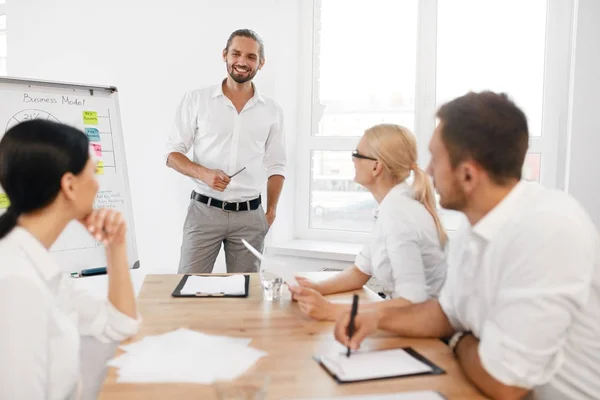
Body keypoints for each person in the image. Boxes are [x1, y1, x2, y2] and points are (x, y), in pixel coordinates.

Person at [333, 92, 600, 400]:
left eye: (436, 158)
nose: (428, 171)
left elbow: (506, 384)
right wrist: (377, 318)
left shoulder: (549, 228)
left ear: (468, 174)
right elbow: (447, 314)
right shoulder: (471, 229)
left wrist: (458, 339)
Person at [0, 120, 140, 399]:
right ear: (70, 185)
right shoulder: (16, 281)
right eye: (92, 172)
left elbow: (121, 325)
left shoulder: (35, 264)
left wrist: (115, 245)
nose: (97, 184)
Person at [289, 124, 447, 321]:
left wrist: (331, 311)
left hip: (423, 327)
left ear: (376, 166)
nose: (353, 159)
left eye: (357, 153)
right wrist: (317, 288)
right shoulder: (392, 205)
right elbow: (360, 271)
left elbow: (412, 302)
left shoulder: (398, 214)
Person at [166, 28, 286, 274]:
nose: (242, 62)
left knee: (246, 296)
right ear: (225, 55)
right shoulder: (197, 100)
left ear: (261, 63)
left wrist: (270, 212)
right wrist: (204, 174)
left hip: (250, 217)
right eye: (236, 54)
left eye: (251, 57)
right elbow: (172, 155)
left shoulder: (272, 111)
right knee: (188, 288)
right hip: (204, 213)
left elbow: (277, 165)